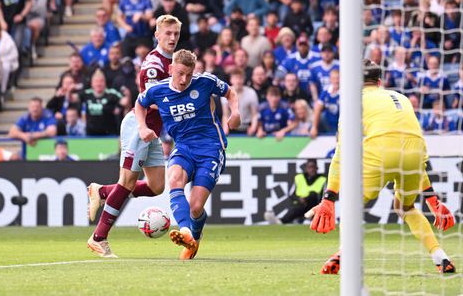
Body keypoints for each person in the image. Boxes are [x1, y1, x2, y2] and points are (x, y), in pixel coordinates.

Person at [308, 59, 456, 275]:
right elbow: (410, 143)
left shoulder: (354, 101)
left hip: (381, 153)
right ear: (379, 80)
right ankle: (440, 256)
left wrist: (329, 198)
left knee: (352, 205)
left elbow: (341, 153)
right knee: (405, 208)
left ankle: (345, 252)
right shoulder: (402, 98)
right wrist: (432, 199)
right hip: (416, 155)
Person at [86, 15, 180, 258]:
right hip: (140, 127)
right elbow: (152, 100)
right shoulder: (153, 64)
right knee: (127, 182)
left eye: (175, 34)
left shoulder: (174, 62)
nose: (172, 38)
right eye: (167, 33)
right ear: (157, 35)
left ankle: (102, 191)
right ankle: (98, 237)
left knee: (157, 186)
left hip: (153, 132)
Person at [136, 49, 240, 260]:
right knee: (173, 179)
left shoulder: (205, 82)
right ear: (171, 68)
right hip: (183, 146)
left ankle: (195, 237)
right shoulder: (158, 90)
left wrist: (235, 112)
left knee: (196, 206)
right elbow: (140, 103)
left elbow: (230, 92)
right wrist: (142, 127)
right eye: (180, 73)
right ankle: (185, 233)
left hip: (211, 148)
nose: (184, 80)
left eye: (189, 75)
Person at [264, 159, 326, 224]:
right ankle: (281, 221)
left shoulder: (322, 179)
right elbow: (291, 194)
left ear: (317, 168)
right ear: (306, 168)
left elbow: (323, 196)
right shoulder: (299, 177)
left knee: (312, 196)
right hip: (300, 205)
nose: (312, 169)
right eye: (309, 167)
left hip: (315, 206)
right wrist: (299, 199)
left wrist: (307, 199)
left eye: (313, 167)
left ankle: (311, 220)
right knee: (296, 208)